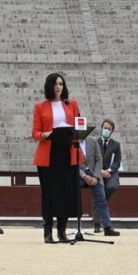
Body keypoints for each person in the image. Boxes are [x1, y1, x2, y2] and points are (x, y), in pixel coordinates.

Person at [32, 72, 82, 244]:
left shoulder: (72, 104)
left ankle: (62, 231)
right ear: (49, 86)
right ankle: (47, 232)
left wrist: (80, 134)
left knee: (67, 192)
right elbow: (35, 133)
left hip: (67, 152)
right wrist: (44, 134)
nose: (58, 86)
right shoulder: (40, 106)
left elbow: (79, 125)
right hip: (49, 153)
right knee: (49, 194)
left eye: (61, 83)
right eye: (55, 84)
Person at [80, 132, 119, 236]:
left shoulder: (92, 141)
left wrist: (96, 176)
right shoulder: (70, 143)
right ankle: (77, 227)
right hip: (79, 175)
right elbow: (71, 163)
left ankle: (107, 227)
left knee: (102, 200)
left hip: (94, 174)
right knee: (74, 198)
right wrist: (84, 176)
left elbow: (99, 159)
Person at [92, 118, 121, 233]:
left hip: (110, 172)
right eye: (105, 128)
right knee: (97, 197)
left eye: (109, 129)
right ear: (101, 128)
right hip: (97, 171)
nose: (106, 130)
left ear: (112, 131)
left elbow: (117, 161)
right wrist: (99, 172)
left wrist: (109, 171)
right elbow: (92, 159)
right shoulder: (95, 142)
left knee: (111, 188)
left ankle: (103, 202)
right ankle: (96, 224)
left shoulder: (116, 145)